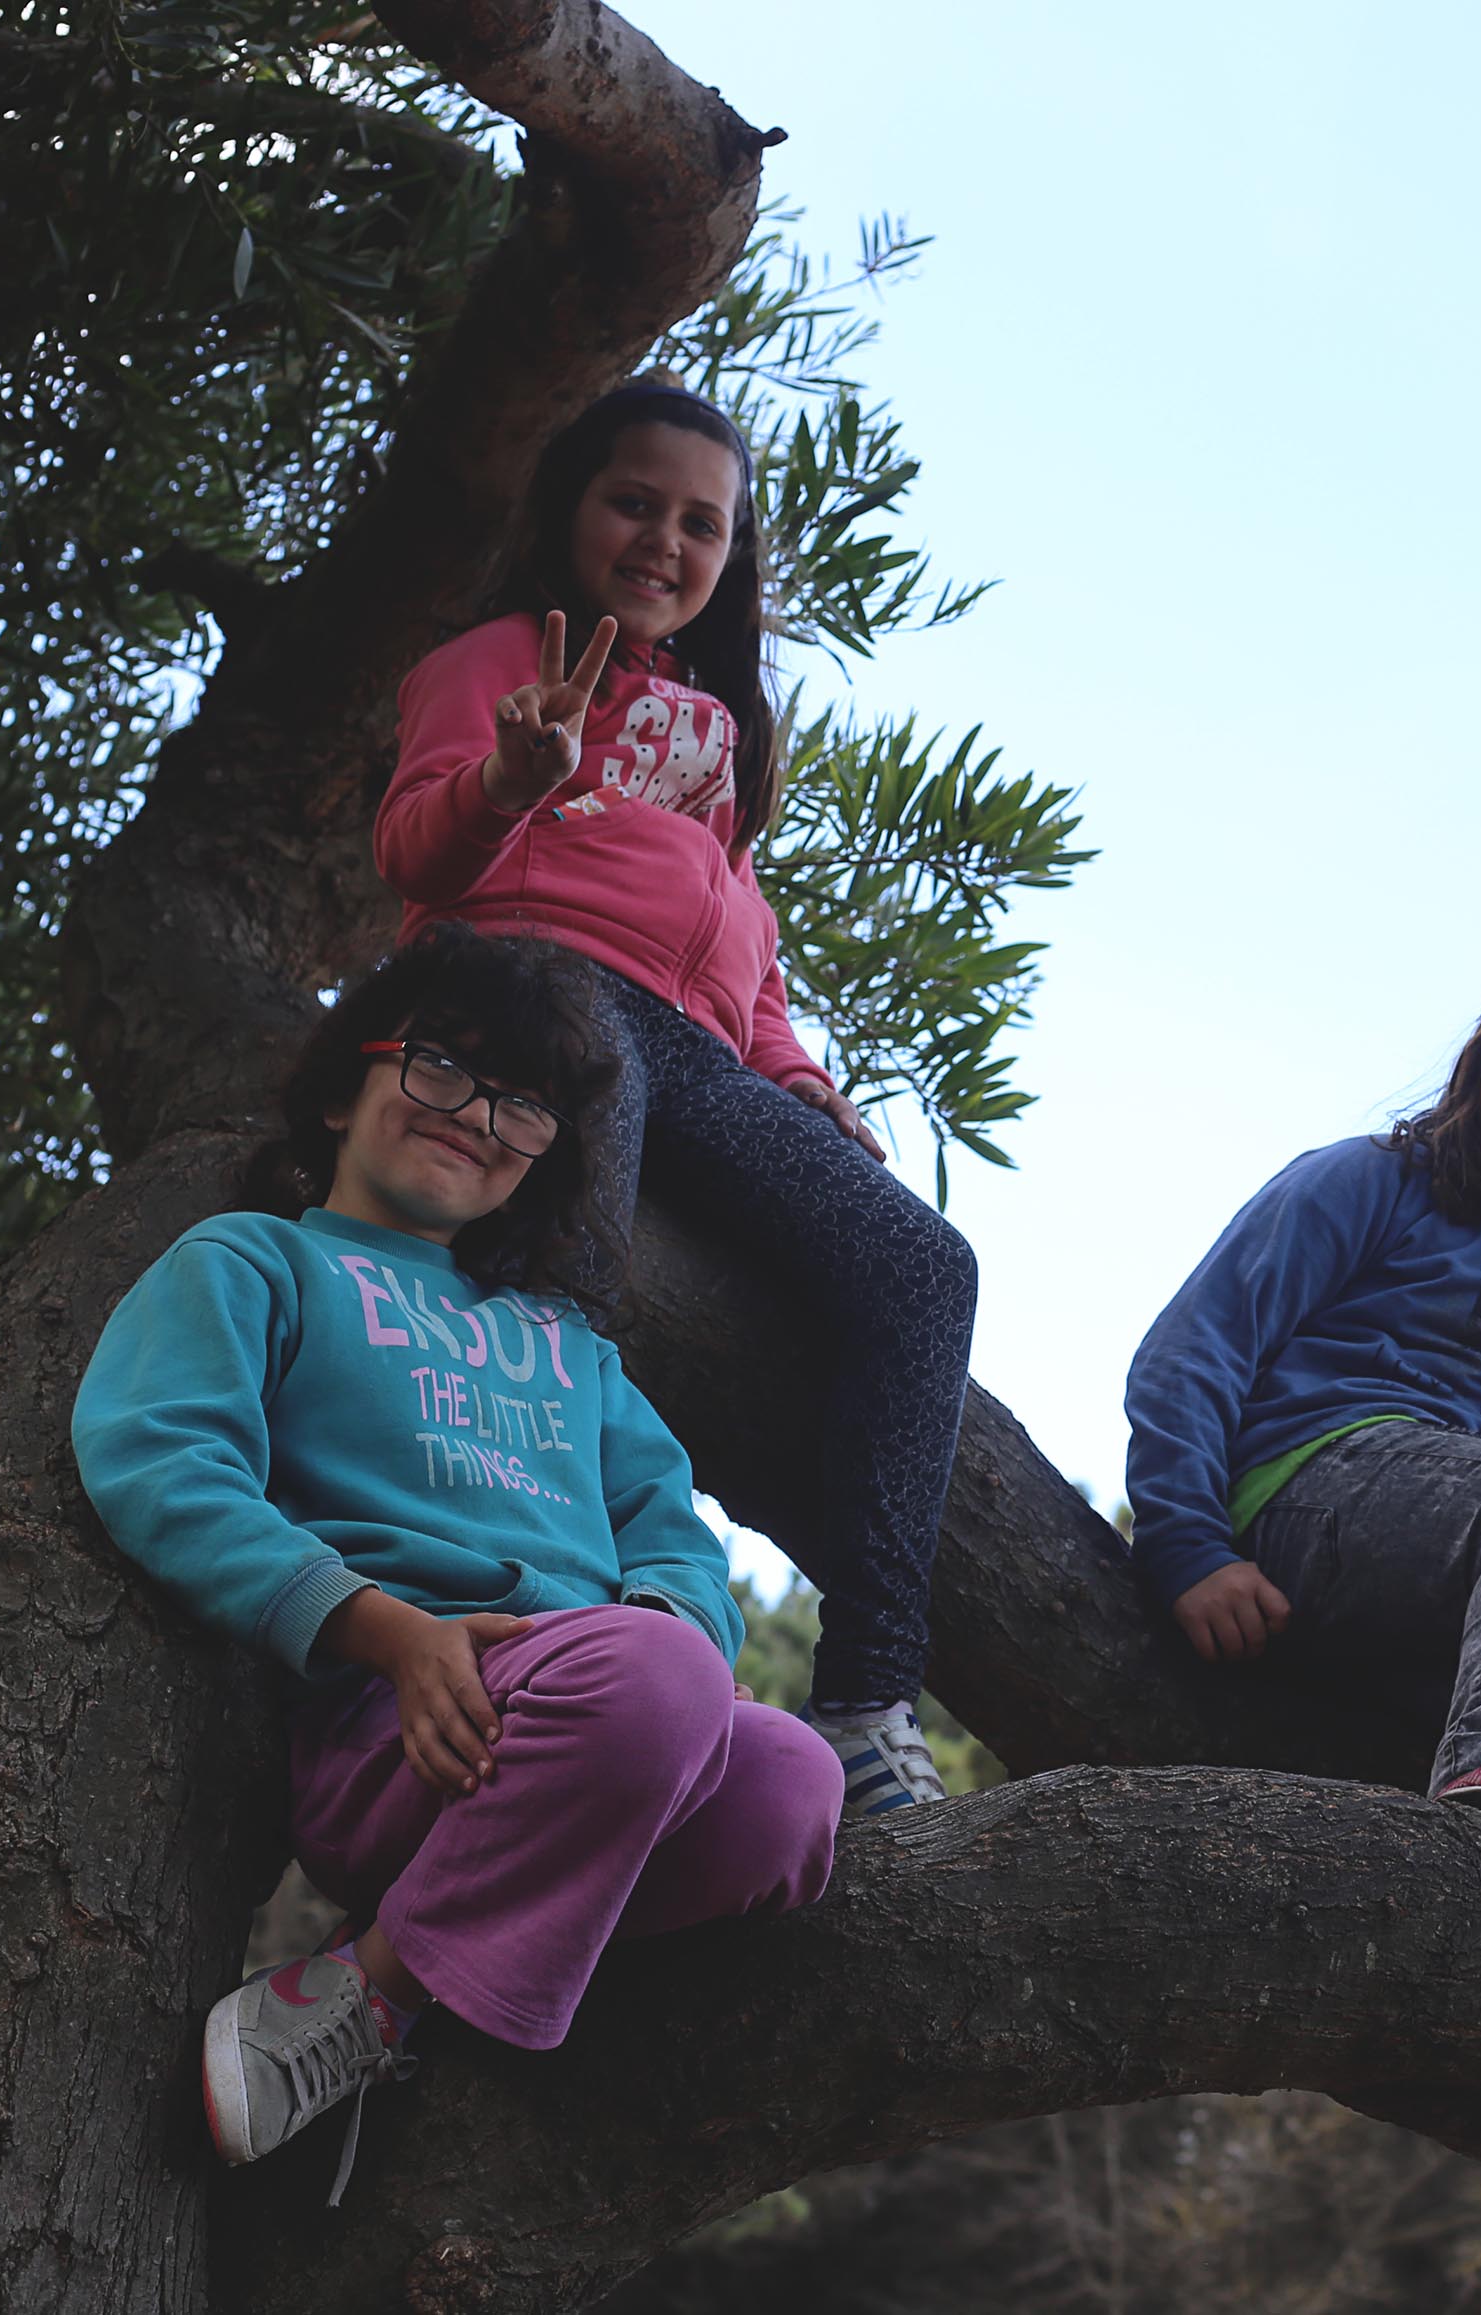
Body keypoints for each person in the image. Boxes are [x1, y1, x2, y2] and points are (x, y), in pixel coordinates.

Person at [72, 928, 843, 2194]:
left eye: (522, 1104)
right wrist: (379, 1626)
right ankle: (379, 1995)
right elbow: (160, 1457)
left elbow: (672, 1536)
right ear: (342, 1090)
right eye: (441, 1067)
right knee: (658, 1687)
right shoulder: (257, 1261)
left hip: (600, 1718)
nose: (477, 1114)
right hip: (395, 1727)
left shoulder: (571, 1347)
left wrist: (672, 1673)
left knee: (794, 1786)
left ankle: (398, 1975)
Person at [375, 374, 977, 1816]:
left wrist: (797, 1076)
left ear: (731, 556)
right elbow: (413, 851)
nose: (664, 541)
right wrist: (507, 779)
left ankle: (866, 1698)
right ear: (570, 510)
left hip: (690, 1045)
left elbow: (741, 953)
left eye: (702, 523)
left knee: (921, 1263)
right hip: (534, 979)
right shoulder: (497, 659)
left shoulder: (717, 733)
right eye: (633, 503)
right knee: (577, 1228)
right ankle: (537, 1595)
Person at [1123, 951, 1481, 1888]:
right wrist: (1188, 1545)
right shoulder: (1375, 1178)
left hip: (1455, 1577)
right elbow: (1197, 1344)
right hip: (1311, 1479)